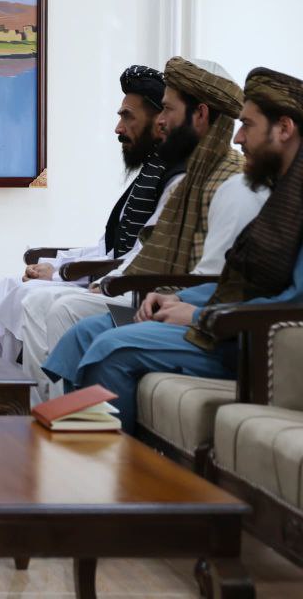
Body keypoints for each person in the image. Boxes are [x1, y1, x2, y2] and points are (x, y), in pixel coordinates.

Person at [42, 67, 303, 432]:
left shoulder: (276, 198)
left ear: (284, 128)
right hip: (222, 318)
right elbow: (240, 282)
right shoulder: (281, 193)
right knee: (83, 334)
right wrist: (178, 298)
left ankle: (111, 466)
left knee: (112, 349)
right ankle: (72, 445)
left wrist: (197, 314)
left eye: (247, 125)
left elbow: (291, 302)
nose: (238, 137)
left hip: (250, 339)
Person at [0, 65, 179, 374]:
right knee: (10, 286)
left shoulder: (175, 179)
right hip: (117, 279)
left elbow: (142, 257)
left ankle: (34, 396)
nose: (118, 128)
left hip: (136, 291)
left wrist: (64, 274)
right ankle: (5, 387)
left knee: (33, 299)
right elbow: (109, 248)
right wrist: (58, 265)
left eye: (128, 117)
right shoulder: (150, 173)